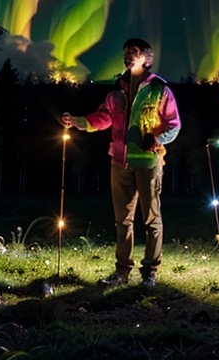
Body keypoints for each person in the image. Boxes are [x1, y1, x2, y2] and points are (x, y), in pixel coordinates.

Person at [62, 37, 181, 288]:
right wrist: (78, 121)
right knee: (122, 222)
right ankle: (122, 272)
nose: (128, 55)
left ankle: (149, 272)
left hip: (148, 163)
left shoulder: (160, 90)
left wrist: (157, 138)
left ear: (146, 59)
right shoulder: (116, 93)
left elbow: (174, 124)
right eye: (126, 51)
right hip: (119, 163)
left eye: (134, 52)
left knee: (151, 219)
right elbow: (103, 118)